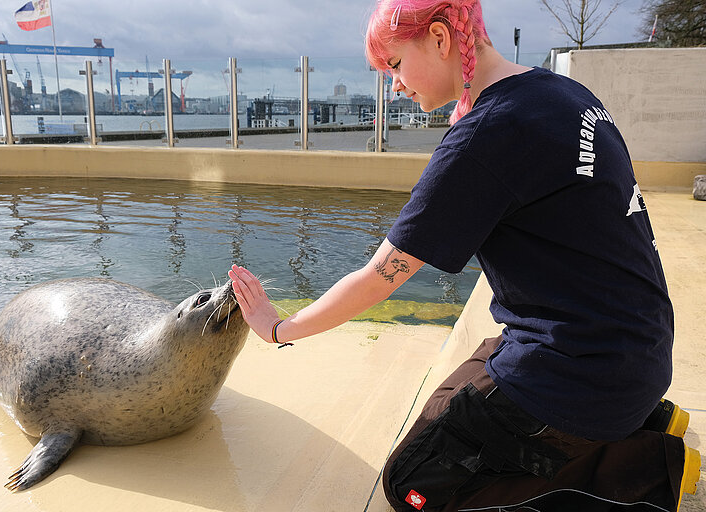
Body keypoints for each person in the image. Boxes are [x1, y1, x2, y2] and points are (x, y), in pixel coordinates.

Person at [228, 0, 701, 510]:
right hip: (637, 348)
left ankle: (647, 468)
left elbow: (378, 277)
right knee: (453, 400)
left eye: (395, 65)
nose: (395, 86)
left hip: (589, 372)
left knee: (413, 484)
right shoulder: (562, 92)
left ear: (439, 38)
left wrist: (280, 329)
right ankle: (643, 418)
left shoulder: (487, 134)